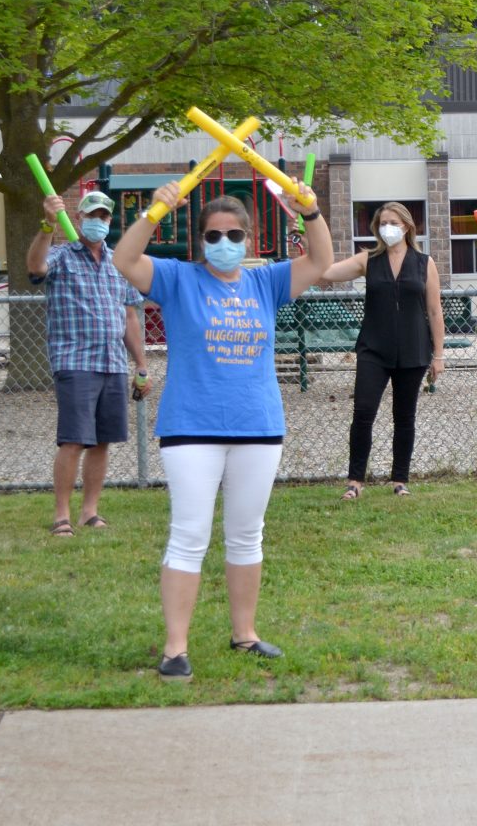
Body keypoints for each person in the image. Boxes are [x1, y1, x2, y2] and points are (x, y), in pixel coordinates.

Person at [114, 184, 332, 682]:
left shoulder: (266, 282)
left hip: (258, 427)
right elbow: (125, 259)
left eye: (235, 234)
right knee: (189, 535)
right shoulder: (176, 278)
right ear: (200, 240)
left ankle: (245, 634)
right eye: (214, 235)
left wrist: (312, 210)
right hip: (191, 429)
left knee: (246, 535)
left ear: (251, 240)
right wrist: (156, 211)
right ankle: (175, 649)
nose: (225, 241)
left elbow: (321, 261)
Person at [26, 190, 150, 537]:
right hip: (75, 360)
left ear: (110, 221)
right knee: (74, 440)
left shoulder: (118, 263)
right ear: (78, 219)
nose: (98, 221)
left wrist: (140, 364)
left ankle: (90, 511)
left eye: (104, 217)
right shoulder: (62, 256)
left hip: (113, 362)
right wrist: (48, 224)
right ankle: (61, 515)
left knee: (102, 441)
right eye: (91, 215)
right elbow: (35, 266)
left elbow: (128, 316)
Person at [321, 202, 445, 500]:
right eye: (382, 223)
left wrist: (439, 354)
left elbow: (434, 310)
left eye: (393, 221)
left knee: (405, 418)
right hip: (373, 350)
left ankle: (400, 480)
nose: (387, 227)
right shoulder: (368, 260)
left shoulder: (424, 262)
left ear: (406, 225)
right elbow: (327, 272)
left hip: (413, 351)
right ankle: (355, 481)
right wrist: (309, 259)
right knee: (363, 413)